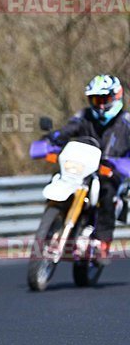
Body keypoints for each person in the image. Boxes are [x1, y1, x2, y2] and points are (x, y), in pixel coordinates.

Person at [41, 74, 130, 263]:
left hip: (111, 172)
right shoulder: (84, 116)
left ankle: (102, 243)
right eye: (95, 100)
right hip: (83, 168)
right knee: (58, 177)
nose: (99, 105)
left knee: (108, 192)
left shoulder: (126, 123)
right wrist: (52, 139)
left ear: (116, 97)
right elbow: (69, 129)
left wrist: (121, 164)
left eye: (103, 100)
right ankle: (54, 222)